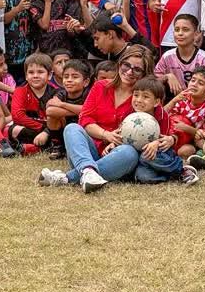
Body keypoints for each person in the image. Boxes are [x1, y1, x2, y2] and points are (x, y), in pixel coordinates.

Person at [37, 44, 155, 191]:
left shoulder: (143, 98)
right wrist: (106, 135)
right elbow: (85, 119)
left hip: (117, 156)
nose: (129, 71)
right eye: (127, 65)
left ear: (144, 73)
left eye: (137, 69)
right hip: (89, 151)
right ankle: (87, 170)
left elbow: (145, 132)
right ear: (120, 63)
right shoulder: (101, 86)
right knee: (72, 128)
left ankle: (68, 178)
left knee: (129, 153)